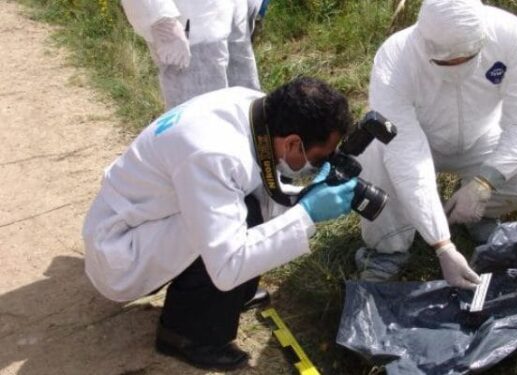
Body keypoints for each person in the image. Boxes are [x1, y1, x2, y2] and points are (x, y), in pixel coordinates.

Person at [82, 77, 357, 370]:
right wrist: (308, 213)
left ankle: (233, 298)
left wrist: (305, 194)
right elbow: (228, 264)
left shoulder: (254, 109)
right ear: (292, 142)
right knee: (244, 222)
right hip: (121, 249)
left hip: (150, 216)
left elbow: (260, 183)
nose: (315, 166)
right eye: (317, 159)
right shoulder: (213, 154)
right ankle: (186, 334)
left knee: (247, 210)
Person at [355, 0, 517, 289]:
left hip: (483, 137)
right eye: (444, 63)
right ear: (424, 43)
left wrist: (483, 184)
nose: (455, 69)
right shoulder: (395, 58)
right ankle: (388, 248)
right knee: (373, 151)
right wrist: (442, 246)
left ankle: (475, 211)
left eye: (466, 59)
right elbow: (406, 153)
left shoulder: (511, 35)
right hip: (421, 140)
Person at [121, 0, 264, 109]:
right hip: (189, 30)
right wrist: (161, 20)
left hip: (231, 14)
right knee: (199, 117)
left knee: (246, 110)